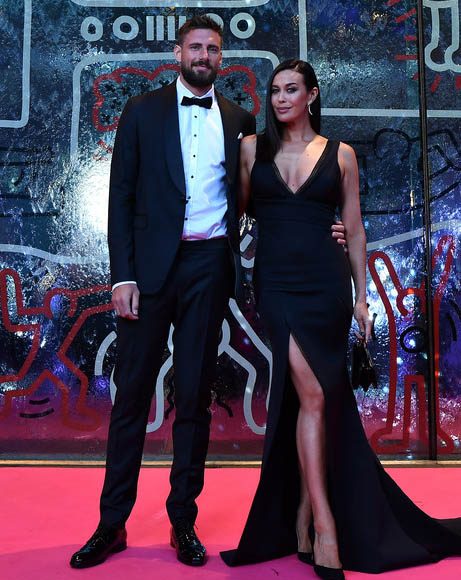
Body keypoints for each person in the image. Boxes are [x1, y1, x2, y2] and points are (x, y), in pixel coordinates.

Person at [69, 18, 345, 570]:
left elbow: (270, 192)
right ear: (178, 53)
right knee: (131, 398)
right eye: (195, 47)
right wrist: (122, 277)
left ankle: (183, 522)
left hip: (209, 268)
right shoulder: (141, 111)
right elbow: (121, 195)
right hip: (148, 274)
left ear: (221, 57)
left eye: (213, 49)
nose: (203, 55)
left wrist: (325, 227)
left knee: (194, 397)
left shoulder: (241, 121)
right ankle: (111, 523)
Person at [221, 59, 461, 579]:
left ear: (311, 95)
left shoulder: (341, 154)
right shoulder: (251, 150)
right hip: (277, 285)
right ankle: (325, 526)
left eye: (291, 89)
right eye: (275, 90)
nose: (280, 98)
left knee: (314, 399)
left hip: (326, 287)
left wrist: (360, 299)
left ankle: (306, 518)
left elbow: (354, 230)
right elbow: (236, 213)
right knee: (311, 395)